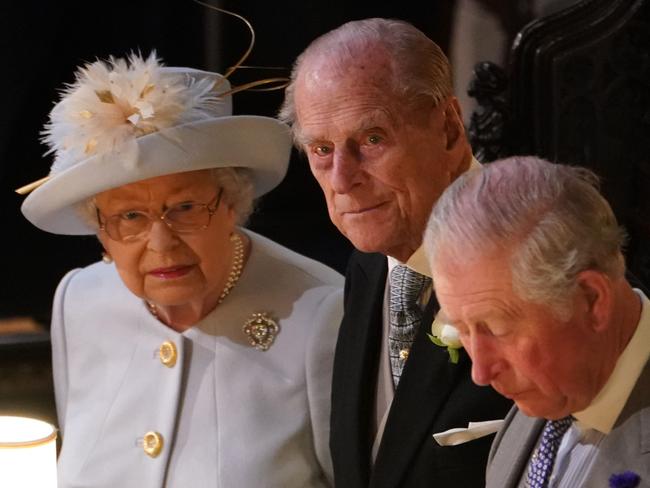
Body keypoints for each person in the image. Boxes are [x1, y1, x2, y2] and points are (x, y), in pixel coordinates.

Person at [19, 52, 343, 487]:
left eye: (185, 208)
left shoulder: (322, 315)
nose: (162, 243)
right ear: (99, 230)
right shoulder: (78, 300)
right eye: (129, 217)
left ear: (232, 204)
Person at [279, 18, 512, 487]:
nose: (343, 179)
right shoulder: (367, 265)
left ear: (448, 128)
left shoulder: (529, 257)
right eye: (322, 150)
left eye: (371, 139)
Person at [425, 156, 649, 488]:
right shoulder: (538, 407)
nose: (480, 373)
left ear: (591, 299)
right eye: (463, 329)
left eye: (498, 329)